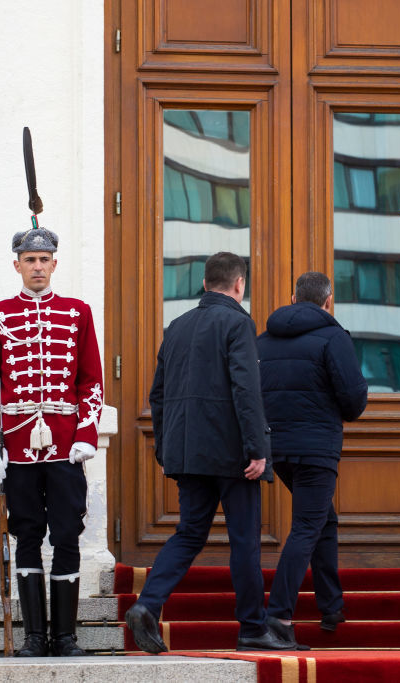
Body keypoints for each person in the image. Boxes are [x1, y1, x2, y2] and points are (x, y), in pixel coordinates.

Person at [124, 252, 293, 654]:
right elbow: (246, 391)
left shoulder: (177, 327)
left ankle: (147, 605)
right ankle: (252, 627)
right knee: (245, 541)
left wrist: (166, 448)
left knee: (188, 533)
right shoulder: (238, 322)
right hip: (233, 454)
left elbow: (159, 395)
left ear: (204, 283)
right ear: (239, 285)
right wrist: (257, 449)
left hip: (186, 451)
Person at [0, 227, 103, 657]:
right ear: (17, 265)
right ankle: (33, 637)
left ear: (55, 263)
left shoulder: (78, 312)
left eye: (44, 259)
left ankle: (65, 636)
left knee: (67, 535)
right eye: (30, 260)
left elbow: (91, 382)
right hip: (18, 447)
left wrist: (86, 434)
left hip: (66, 446)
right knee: (26, 536)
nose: (38, 267)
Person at [256, 271, 368, 648]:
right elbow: (353, 401)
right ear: (328, 300)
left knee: (323, 519)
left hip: (276, 449)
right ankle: (279, 616)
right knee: (307, 526)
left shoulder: (263, 341)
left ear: (292, 297)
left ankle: (331, 606)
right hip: (317, 449)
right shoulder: (334, 337)